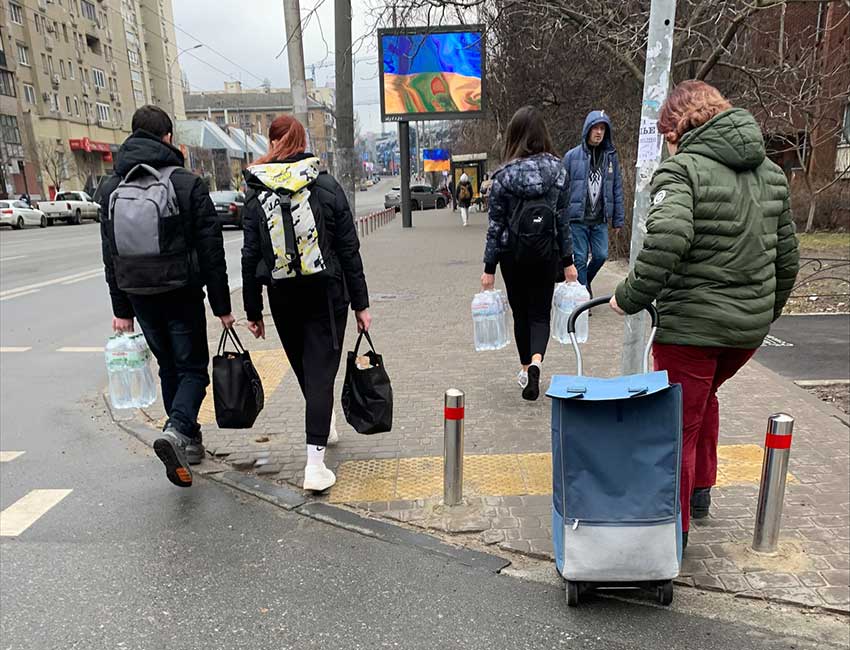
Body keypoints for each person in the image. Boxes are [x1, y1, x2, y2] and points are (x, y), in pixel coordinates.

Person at [608, 81, 800, 549]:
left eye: (665, 136)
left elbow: (667, 239)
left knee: (676, 425)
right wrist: (761, 315)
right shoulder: (771, 173)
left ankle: (670, 536)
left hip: (690, 331)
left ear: (676, 129)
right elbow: (788, 260)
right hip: (746, 332)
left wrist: (628, 296)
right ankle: (700, 491)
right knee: (703, 398)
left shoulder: (682, 171)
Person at [98, 105, 234, 488]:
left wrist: (121, 309)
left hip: (138, 294)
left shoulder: (111, 188)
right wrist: (222, 307)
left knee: (170, 368)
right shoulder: (186, 184)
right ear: (168, 138)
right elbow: (211, 252)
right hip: (181, 291)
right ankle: (177, 431)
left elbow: (110, 254)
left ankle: (188, 441)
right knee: (193, 370)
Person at [241, 115, 371, 493]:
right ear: (302, 141)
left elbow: (250, 256)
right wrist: (361, 304)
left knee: (306, 369)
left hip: (282, 296)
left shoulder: (257, 189)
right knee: (320, 372)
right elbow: (349, 250)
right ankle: (315, 465)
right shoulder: (325, 185)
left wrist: (253, 311)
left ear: (272, 143)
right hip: (327, 294)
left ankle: (323, 420)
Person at [481, 105, 578, 401]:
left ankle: (525, 369)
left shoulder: (502, 177)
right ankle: (537, 362)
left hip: (512, 255)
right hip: (546, 252)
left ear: (514, 135)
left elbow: (495, 226)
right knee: (540, 314)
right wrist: (568, 262)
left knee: (521, 313)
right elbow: (563, 221)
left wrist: (488, 268)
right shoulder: (559, 171)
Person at [562, 110, 625, 297]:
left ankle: (584, 283)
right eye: (595, 128)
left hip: (600, 218)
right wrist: (561, 217)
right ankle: (583, 298)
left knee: (601, 255)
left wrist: (618, 218)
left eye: (602, 129)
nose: (599, 132)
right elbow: (562, 189)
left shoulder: (610, 157)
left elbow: (617, 187)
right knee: (580, 259)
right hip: (577, 218)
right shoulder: (571, 156)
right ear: (587, 129)